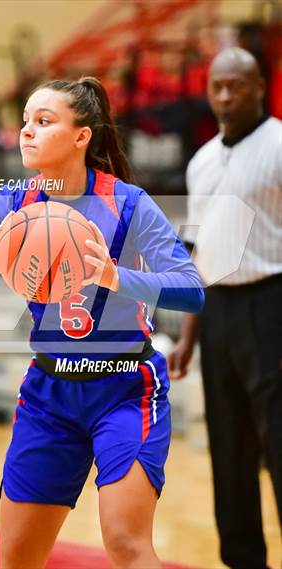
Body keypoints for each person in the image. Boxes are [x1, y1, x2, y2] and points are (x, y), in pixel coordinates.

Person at [0, 76, 204, 569]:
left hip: (126, 389)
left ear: (81, 135)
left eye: (44, 121)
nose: (26, 131)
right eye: (25, 121)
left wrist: (116, 276)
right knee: (19, 558)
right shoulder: (13, 201)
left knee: (127, 545)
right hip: (50, 391)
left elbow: (191, 289)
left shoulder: (129, 203)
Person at [168, 48, 282, 569]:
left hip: (272, 301)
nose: (225, 96)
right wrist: (189, 334)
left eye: (236, 85)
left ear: (261, 86)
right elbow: (199, 252)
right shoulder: (202, 162)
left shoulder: (279, 144)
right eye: (217, 86)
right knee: (229, 448)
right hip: (217, 311)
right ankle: (242, 560)